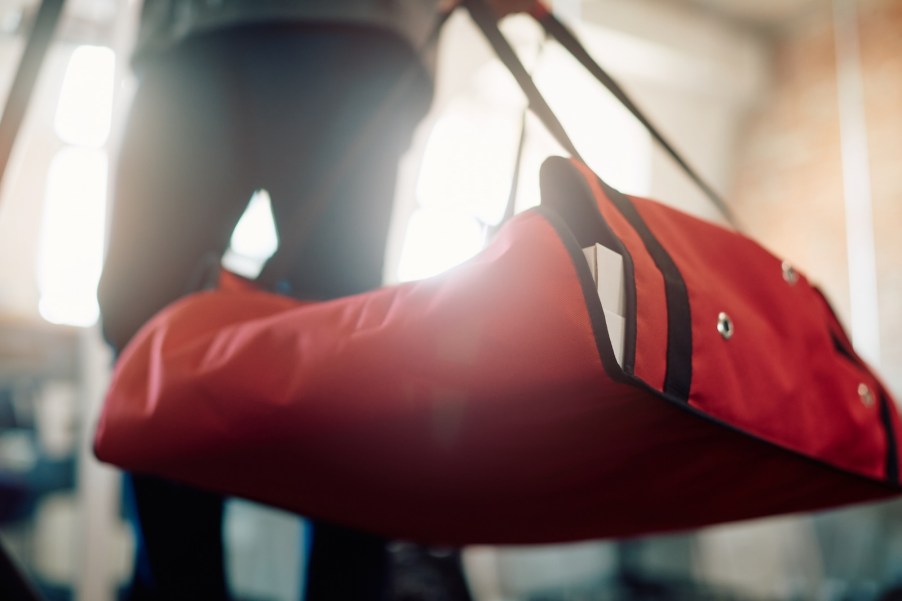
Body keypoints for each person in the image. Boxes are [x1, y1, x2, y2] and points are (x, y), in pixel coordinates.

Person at [97, 1, 532, 599]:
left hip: (348, 25)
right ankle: (175, 584)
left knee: (348, 360)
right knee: (138, 321)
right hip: (189, 30)